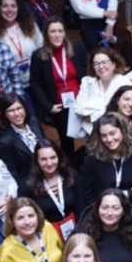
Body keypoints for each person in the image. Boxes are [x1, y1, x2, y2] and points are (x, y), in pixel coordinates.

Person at [28, 18, 87, 162]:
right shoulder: (39, 56)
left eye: (60, 31)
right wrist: (48, 106)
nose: (57, 35)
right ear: (46, 34)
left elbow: (87, 73)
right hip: (60, 107)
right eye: (52, 31)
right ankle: (72, 168)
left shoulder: (77, 48)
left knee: (89, 135)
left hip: (82, 102)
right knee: (67, 142)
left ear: (64, 33)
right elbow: (34, 84)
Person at [79, 113, 132, 211]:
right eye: (104, 135)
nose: (109, 139)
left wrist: (121, 196)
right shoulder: (92, 158)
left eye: (112, 133)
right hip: (104, 211)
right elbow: (87, 191)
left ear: (123, 130)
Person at [21, 139, 82, 239]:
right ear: (37, 161)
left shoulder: (70, 176)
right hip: (48, 237)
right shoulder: (29, 186)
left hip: (75, 231)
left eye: (53, 157)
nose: (49, 163)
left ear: (59, 157)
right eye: (43, 159)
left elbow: (80, 206)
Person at [0, 0, 43, 104]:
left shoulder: (30, 24)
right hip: (16, 88)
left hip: (39, 82)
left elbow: (42, 48)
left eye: (13, 6)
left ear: (18, 9)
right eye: (5, 6)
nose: (9, 10)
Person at [71, 48, 131, 139]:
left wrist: (91, 114)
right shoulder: (87, 82)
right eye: (96, 64)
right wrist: (105, 110)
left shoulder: (124, 82)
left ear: (113, 64)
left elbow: (125, 112)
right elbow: (78, 108)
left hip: (117, 134)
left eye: (104, 62)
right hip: (91, 135)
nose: (100, 66)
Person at [0, 95, 44, 185]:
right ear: (5, 114)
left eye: (19, 108)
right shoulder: (4, 142)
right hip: (32, 183)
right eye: (11, 111)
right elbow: (14, 173)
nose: (17, 114)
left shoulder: (34, 123)